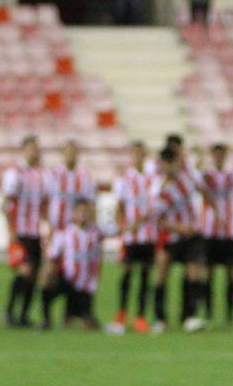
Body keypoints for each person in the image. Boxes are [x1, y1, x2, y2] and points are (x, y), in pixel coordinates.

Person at [142, 146, 205, 333]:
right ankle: (160, 318)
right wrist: (179, 227)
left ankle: (189, 316)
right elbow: (158, 219)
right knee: (161, 273)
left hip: (191, 235)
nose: (171, 166)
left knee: (194, 273)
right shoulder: (159, 188)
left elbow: (202, 187)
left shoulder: (187, 179)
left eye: (174, 161)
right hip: (170, 236)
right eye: (168, 162)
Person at [41, 139, 95, 330]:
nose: (71, 155)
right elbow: (44, 201)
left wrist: (91, 230)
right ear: (62, 154)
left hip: (78, 236)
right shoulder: (52, 175)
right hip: (57, 233)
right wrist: (46, 227)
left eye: (74, 151)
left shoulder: (84, 176)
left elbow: (90, 205)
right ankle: (45, 316)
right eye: (68, 151)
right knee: (49, 273)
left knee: (78, 274)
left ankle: (72, 315)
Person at [107, 140, 156, 335]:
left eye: (140, 152)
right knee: (127, 274)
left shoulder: (154, 178)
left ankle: (141, 318)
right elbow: (119, 206)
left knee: (145, 276)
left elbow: (157, 205)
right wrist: (124, 227)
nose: (137, 156)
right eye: (134, 153)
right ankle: (121, 314)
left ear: (145, 154)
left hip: (149, 235)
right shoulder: (124, 178)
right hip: (131, 237)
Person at [0, 134, 46, 328]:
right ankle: (10, 311)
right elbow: (7, 202)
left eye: (36, 148)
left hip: (36, 232)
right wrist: (10, 230)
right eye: (31, 148)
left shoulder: (42, 174)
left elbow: (45, 203)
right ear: (24, 150)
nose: (35, 152)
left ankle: (24, 316)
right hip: (21, 231)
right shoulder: (15, 173)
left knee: (34, 274)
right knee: (24, 271)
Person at [48, 198, 107, 330]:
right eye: (80, 211)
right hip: (67, 280)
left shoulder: (96, 232)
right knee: (47, 290)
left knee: (89, 324)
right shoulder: (64, 233)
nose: (83, 215)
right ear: (74, 213)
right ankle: (47, 318)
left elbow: (119, 229)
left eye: (86, 212)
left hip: (86, 283)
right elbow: (53, 256)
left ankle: (73, 315)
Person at [198, 143, 233, 326]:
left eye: (222, 154)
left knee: (231, 274)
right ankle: (208, 312)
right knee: (208, 273)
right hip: (210, 231)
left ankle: (230, 314)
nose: (219, 157)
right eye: (216, 154)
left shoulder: (232, 175)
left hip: (228, 232)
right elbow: (197, 182)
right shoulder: (207, 175)